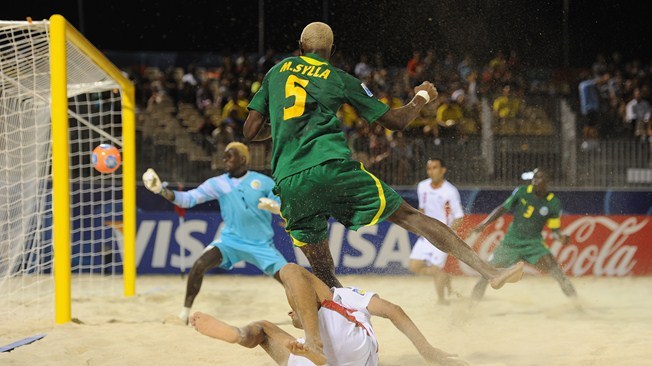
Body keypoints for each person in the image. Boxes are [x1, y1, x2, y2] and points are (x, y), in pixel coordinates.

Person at [243, 21, 524, 290]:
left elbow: (250, 131)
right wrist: (421, 98)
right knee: (412, 217)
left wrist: (282, 126)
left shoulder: (276, 72)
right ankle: (490, 272)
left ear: (300, 46)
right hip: (330, 167)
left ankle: (339, 324)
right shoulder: (339, 78)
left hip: (289, 180)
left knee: (324, 271)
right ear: (331, 50)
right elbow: (395, 122)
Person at [191, 263, 469, 366]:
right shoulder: (343, 306)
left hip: (322, 350)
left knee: (287, 274)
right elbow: (394, 311)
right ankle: (239, 334)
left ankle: (243, 335)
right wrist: (427, 351)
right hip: (339, 356)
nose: (291, 311)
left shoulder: (342, 295)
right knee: (265, 325)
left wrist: (428, 350)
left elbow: (393, 311)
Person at [142, 142, 288, 324]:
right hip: (230, 242)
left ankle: (305, 312)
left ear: (243, 159)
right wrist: (161, 190)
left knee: (289, 278)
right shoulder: (218, 183)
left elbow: (283, 206)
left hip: (261, 244)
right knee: (199, 265)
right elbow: (188, 199)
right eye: (224, 155)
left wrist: (276, 207)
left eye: (230, 156)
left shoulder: (264, 182)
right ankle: (184, 315)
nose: (224, 159)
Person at [468, 168, 578, 303]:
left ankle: (577, 305)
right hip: (510, 244)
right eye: (534, 177)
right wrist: (484, 224)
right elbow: (503, 208)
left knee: (558, 273)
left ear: (547, 181)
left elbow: (555, 229)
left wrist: (560, 238)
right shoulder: (522, 192)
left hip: (534, 245)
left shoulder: (553, 202)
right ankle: (470, 306)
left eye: (539, 178)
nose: (535, 181)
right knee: (486, 274)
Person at [408, 158, 464, 305]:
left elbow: (459, 217)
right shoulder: (422, 186)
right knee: (414, 266)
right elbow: (422, 208)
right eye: (429, 168)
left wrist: (447, 235)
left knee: (435, 268)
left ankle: (441, 300)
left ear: (443, 170)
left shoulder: (450, 191)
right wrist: (418, 225)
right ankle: (444, 277)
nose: (431, 171)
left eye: (435, 168)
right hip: (426, 234)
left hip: (441, 236)